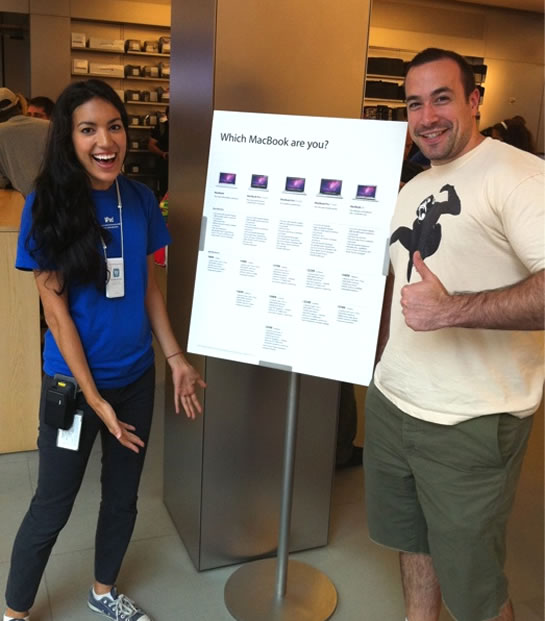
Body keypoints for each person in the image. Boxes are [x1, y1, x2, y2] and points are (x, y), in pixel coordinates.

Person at [4, 79, 206, 621]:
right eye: (88, 129)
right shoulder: (45, 203)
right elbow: (55, 312)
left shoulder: (139, 199)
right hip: (73, 388)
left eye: (113, 126)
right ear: (67, 138)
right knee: (53, 503)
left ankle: (102, 591)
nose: (105, 141)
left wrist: (175, 358)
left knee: (122, 497)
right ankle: (16, 611)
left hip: (136, 378)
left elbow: (144, 287)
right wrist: (94, 399)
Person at [364, 48, 544, 621]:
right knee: (413, 549)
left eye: (442, 98)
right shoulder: (415, 185)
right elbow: (396, 291)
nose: (427, 116)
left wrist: (453, 310)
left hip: (471, 421)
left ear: (473, 100)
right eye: (415, 103)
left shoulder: (518, 175)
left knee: (475, 591)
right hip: (394, 404)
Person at [0, 88, 49, 197]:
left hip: (24, 203)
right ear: (18, 104)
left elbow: (2, 182)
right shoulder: (49, 126)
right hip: (60, 200)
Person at [148, 106, 169, 196]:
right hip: (165, 166)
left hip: (183, 168)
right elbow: (151, 145)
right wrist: (163, 154)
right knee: (164, 192)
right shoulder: (161, 127)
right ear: (167, 115)